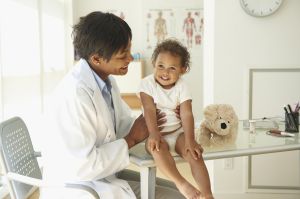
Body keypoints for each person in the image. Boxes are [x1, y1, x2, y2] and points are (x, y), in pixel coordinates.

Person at [41, 11, 184, 199]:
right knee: (178, 196)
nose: (130, 59)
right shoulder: (75, 95)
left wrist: (157, 121)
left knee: (175, 189)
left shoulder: (105, 81)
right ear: (97, 58)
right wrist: (132, 138)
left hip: (104, 175)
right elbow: (84, 165)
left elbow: (122, 124)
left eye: (129, 50)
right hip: (82, 188)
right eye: (123, 54)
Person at [137, 39, 213, 199]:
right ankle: (181, 183)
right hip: (156, 134)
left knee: (195, 155)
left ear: (182, 70)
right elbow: (149, 109)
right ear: (154, 63)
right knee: (157, 148)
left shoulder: (182, 86)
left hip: (178, 133)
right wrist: (154, 133)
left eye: (172, 68)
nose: (165, 72)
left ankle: (207, 194)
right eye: (161, 66)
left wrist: (191, 140)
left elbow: (186, 114)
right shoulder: (146, 84)